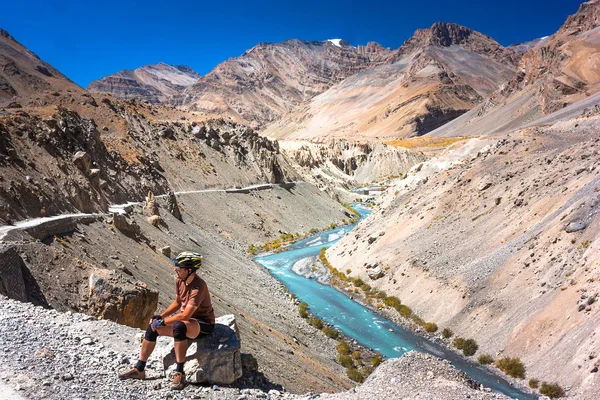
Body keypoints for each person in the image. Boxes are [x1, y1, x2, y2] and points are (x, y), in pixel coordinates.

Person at [119, 251, 215, 390]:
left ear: (189, 270)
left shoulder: (199, 286)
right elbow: (177, 302)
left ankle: (179, 373)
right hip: (188, 322)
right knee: (153, 327)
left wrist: (164, 322)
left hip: (203, 324)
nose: (175, 269)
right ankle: (139, 369)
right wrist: (160, 317)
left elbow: (185, 316)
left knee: (179, 326)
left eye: (178, 267)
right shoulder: (180, 280)